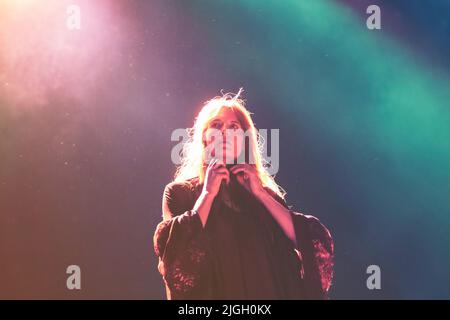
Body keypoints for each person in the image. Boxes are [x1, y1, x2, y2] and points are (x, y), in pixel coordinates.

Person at [153, 90, 334, 299]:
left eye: (233, 127)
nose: (224, 132)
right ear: (204, 138)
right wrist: (208, 194)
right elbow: (176, 257)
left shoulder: (264, 197)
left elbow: (309, 242)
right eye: (216, 125)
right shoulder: (180, 193)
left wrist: (261, 194)